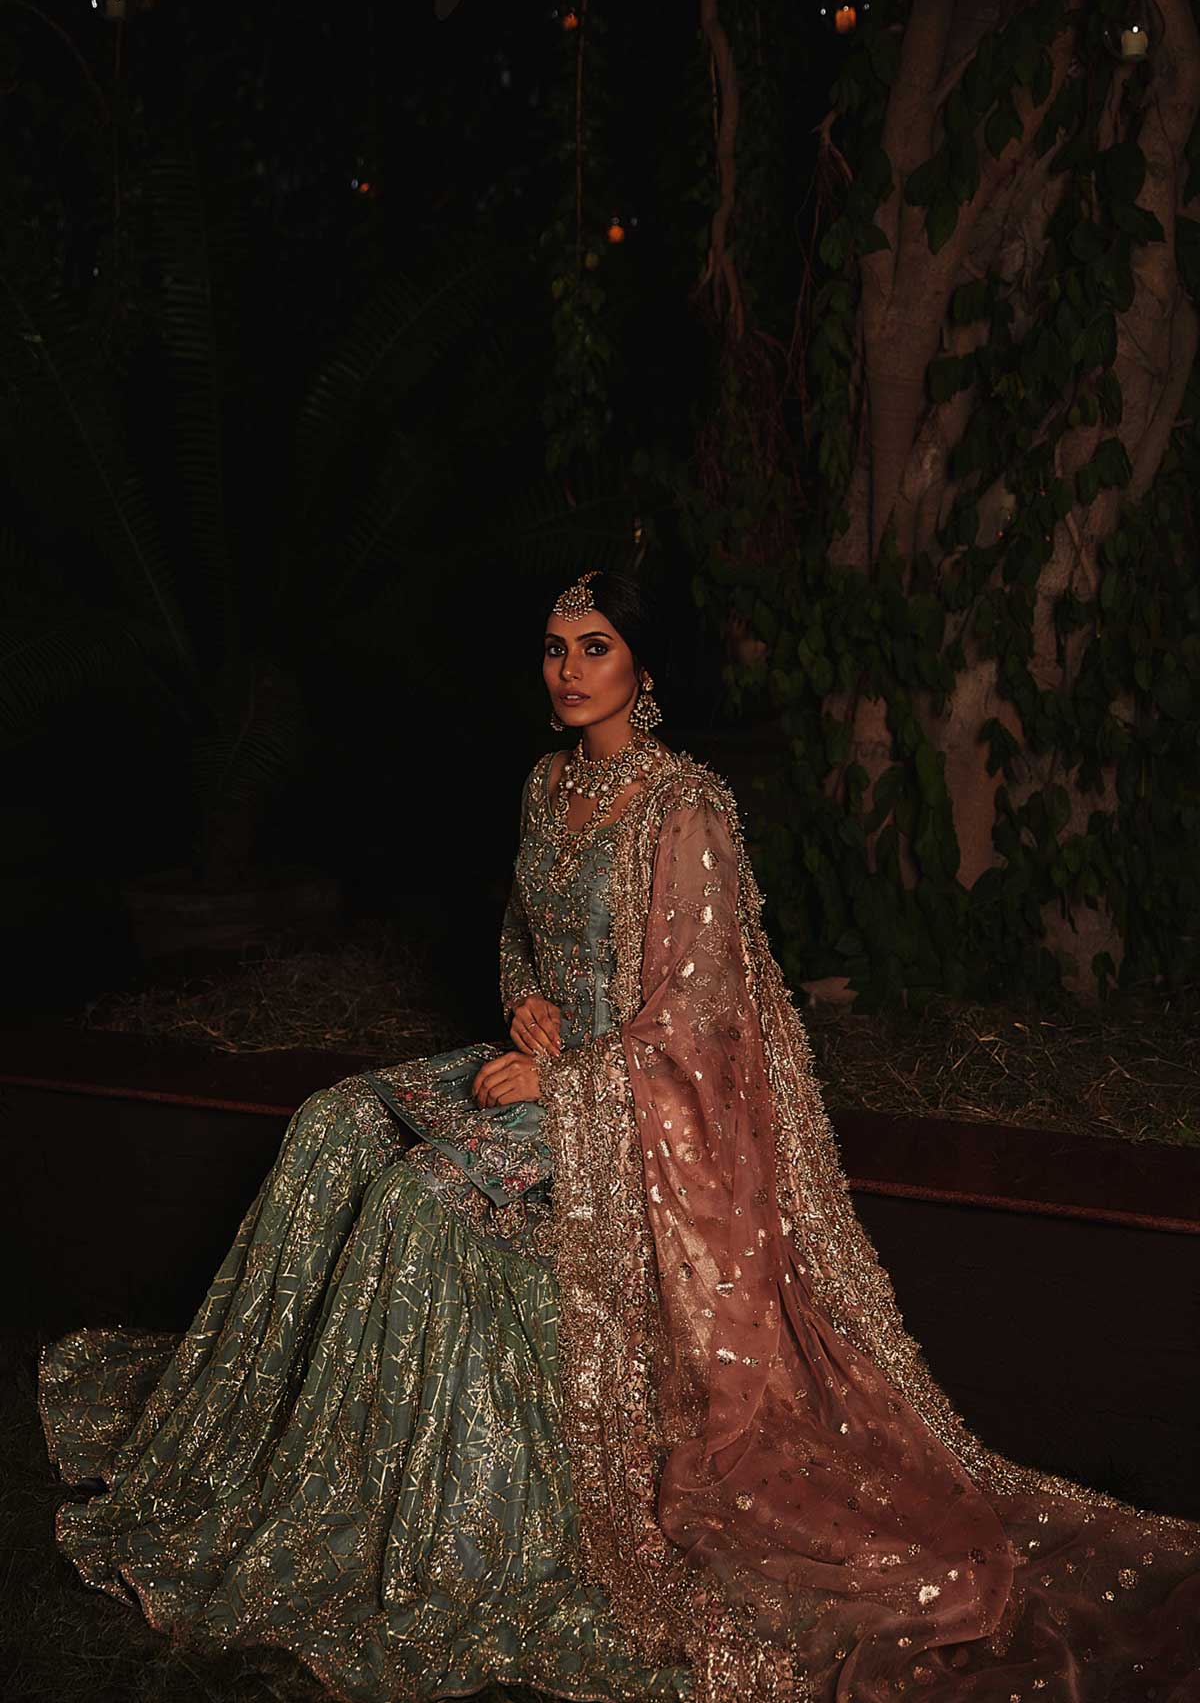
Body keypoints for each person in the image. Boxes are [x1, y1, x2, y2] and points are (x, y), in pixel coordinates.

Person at [38, 568, 1200, 1703]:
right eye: (555, 646)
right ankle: (267, 1449)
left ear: (643, 666)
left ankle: (387, 1514)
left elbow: (702, 1017)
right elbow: (521, 938)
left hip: (632, 1114)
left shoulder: (681, 805)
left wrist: (569, 1081)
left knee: (419, 1201)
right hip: (551, 1065)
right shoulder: (547, 786)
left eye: (594, 647)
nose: (569, 669)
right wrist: (527, 1005)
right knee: (332, 1124)